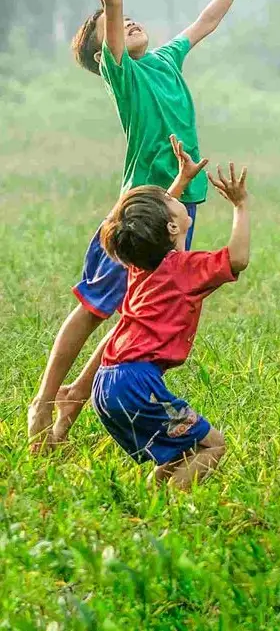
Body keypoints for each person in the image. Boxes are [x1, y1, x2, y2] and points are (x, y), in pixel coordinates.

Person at [27, 0, 268, 450]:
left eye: (132, 20)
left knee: (138, 315)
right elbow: (111, 2)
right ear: (101, 54)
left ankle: (66, 418)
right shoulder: (124, 75)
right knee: (93, 307)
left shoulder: (164, 59)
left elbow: (206, 20)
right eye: (113, 27)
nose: (127, 21)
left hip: (180, 206)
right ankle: (44, 404)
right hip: (140, 209)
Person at [91, 139, 249, 490]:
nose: (175, 198)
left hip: (106, 383)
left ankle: (150, 499)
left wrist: (180, 181)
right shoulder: (185, 269)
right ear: (172, 227)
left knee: (180, 452)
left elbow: (158, 225)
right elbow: (237, 258)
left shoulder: (142, 262)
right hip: (136, 385)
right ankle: (167, 510)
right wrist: (240, 206)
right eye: (172, 200)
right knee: (213, 445)